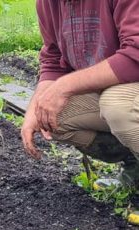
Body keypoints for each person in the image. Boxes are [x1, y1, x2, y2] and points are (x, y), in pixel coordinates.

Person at [21, 1, 139, 187]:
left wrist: (64, 86)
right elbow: (53, 58)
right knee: (51, 116)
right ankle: (135, 167)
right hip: (115, 88)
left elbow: (135, 55)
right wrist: (35, 109)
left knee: (117, 104)